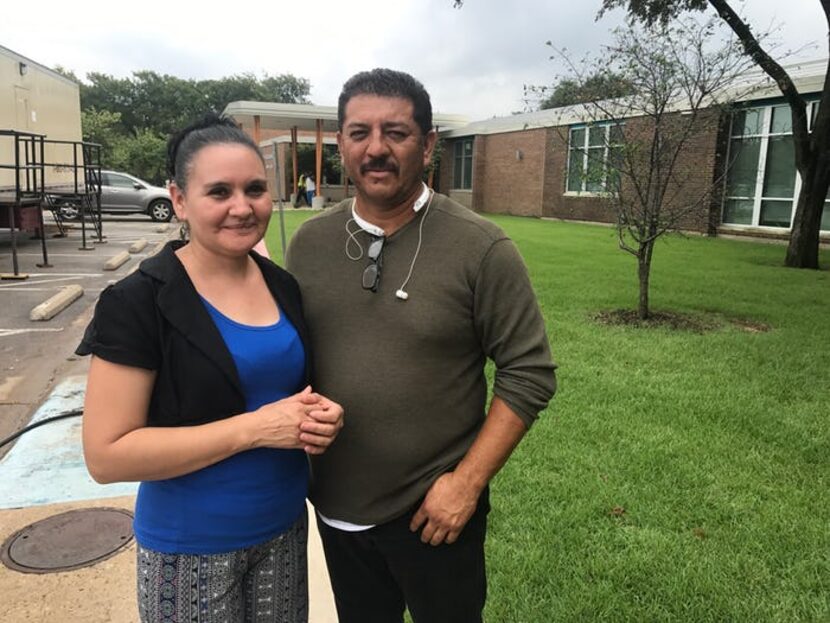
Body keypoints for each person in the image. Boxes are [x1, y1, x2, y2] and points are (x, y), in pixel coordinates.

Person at [286, 68, 556, 622]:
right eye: (359, 132)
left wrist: (467, 484)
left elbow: (529, 373)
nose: (376, 148)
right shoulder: (310, 244)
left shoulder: (481, 247)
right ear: (341, 143)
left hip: (433, 513)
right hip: (336, 510)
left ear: (429, 144)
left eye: (397, 132)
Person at [77, 114, 344, 623]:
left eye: (255, 189)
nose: (241, 207)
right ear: (179, 199)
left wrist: (319, 417)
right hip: (190, 549)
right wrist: (257, 428)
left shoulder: (282, 286)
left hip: (283, 531)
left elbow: (287, 395)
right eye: (218, 191)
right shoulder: (138, 302)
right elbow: (107, 456)